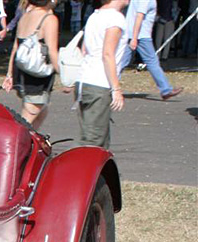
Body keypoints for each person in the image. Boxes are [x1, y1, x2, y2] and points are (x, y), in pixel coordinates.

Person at [78, 0, 129, 147]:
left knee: (92, 138)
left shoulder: (95, 15)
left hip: (84, 80)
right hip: (99, 83)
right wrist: (116, 88)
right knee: (94, 143)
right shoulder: (115, 19)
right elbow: (107, 54)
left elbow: (84, 49)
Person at [3, 0, 59, 127]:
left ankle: (31, 143)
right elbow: (52, 51)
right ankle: (18, 144)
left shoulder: (25, 17)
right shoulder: (49, 19)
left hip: (22, 72)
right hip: (37, 75)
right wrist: (65, 76)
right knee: (27, 119)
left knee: (41, 112)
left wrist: (10, 73)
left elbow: (15, 48)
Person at [123, 0, 182, 99]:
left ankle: (108, 87)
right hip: (141, 35)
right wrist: (134, 37)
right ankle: (166, 89)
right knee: (151, 62)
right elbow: (139, 16)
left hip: (137, 34)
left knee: (122, 62)